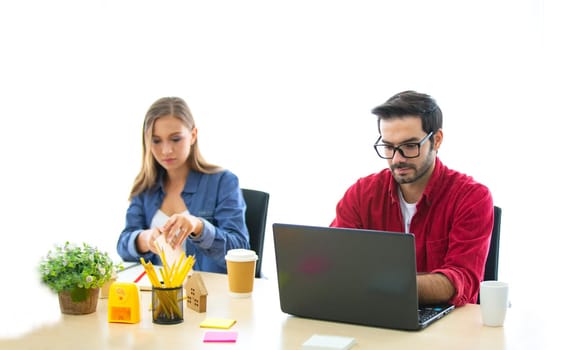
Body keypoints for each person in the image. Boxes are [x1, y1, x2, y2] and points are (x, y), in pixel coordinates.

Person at [330, 90, 493, 306]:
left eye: (409, 146)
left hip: (447, 328)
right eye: (388, 147)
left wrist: (385, 284)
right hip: (374, 316)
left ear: (436, 140)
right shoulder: (361, 194)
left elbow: (462, 280)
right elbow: (332, 259)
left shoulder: (471, 198)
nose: (397, 159)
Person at [117, 97, 250, 273]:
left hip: (209, 294)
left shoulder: (223, 182)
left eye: (175, 139)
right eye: (156, 141)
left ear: (193, 135)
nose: (166, 150)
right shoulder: (146, 187)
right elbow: (123, 245)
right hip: (161, 293)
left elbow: (241, 250)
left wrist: (199, 227)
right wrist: (146, 239)